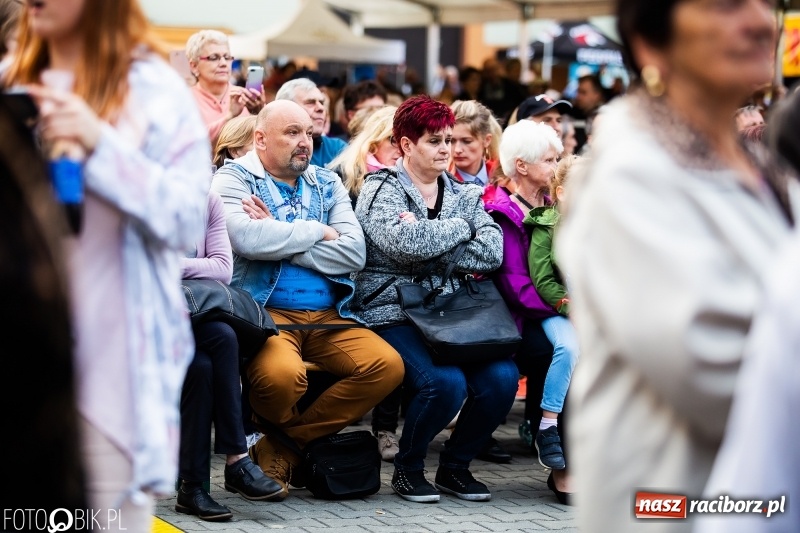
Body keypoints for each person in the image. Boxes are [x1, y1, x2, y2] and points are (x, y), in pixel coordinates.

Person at [555, 1, 798, 531]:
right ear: (650, 42)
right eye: (726, 4)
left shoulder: (756, 164)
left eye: (765, 2)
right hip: (673, 500)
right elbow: (709, 361)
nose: (760, 20)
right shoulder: (630, 174)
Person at [6, 0, 212, 529]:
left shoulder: (154, 93)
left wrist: (99, 145)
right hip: (22, 363)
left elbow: (186, 220)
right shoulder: (13, 80)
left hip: (111, 381)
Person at [210, 99, 404, 500]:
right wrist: (317, 229)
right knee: (282, 378)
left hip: (331, 313)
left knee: (386, 367)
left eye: (309, 134)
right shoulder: (233, 179)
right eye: (292, 133)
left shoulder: (325, 182)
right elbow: (243, 238)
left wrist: (279, 233)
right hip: (266, 314)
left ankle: (280, 447)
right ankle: (280, 452)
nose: (305, 142)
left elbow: (354, 253)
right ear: (260, 139)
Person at [352, 94, 517, 503]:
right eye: (434, 141)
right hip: (391, 308)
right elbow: (402, 243)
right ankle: (408, 469)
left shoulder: (462, 193)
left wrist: (438, 232)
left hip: (449, 311)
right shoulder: (380, 189)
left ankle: (455, 467)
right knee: (444, 384)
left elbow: (493, 252)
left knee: (502, 379)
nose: (447, 149)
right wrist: (463, 229)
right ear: (406, 145)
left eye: (449, 140)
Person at [176, 191, 282, 521]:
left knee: (215, 347)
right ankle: (234, 461)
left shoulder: (205, 199)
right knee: (212, 349)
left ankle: (199, 484)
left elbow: (222, 269)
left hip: (191, 315)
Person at [482, 119, 571, 504]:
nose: (557, 166)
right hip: (519, 320)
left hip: (554, 313)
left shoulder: (557, 205)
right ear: (522, 166)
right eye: (550, 160)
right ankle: (562, 463)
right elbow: (518, 288)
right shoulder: (503, 212)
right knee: (560, 354)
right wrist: (569, 309)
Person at [326, 104, 402, 461]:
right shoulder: (342, 176)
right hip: (344, 283)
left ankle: (386, 429)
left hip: (389, 287)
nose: (400, 148)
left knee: (397, 325)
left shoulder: (409, 180)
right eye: (393, 140)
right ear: (374, 143)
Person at [523, 154, 581, 473]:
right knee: (569, 348)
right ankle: (547, 424)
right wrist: (571, 307)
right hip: (556, 309)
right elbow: (542, 280)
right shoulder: (546, 226)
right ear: (561, 193)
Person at [185, 30, 263, 143]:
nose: (223, 63)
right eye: (214, 57)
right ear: (194, 66)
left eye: (227, 57)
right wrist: (229, 117)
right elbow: (189, 143)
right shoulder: (184, 99)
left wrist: (260, 113)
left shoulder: (245, 98)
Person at [275, 77, 347, 168]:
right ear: (286, 109)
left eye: (321, 102)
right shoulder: (272, 148)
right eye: (310, 102)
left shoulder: (337, 148)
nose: (321, 108)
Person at [449, 99, 502, 188]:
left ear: (487, 140)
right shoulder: (439, 183)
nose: (457, 149)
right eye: (451, 141)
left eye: (467, 141)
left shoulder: (504, 177)